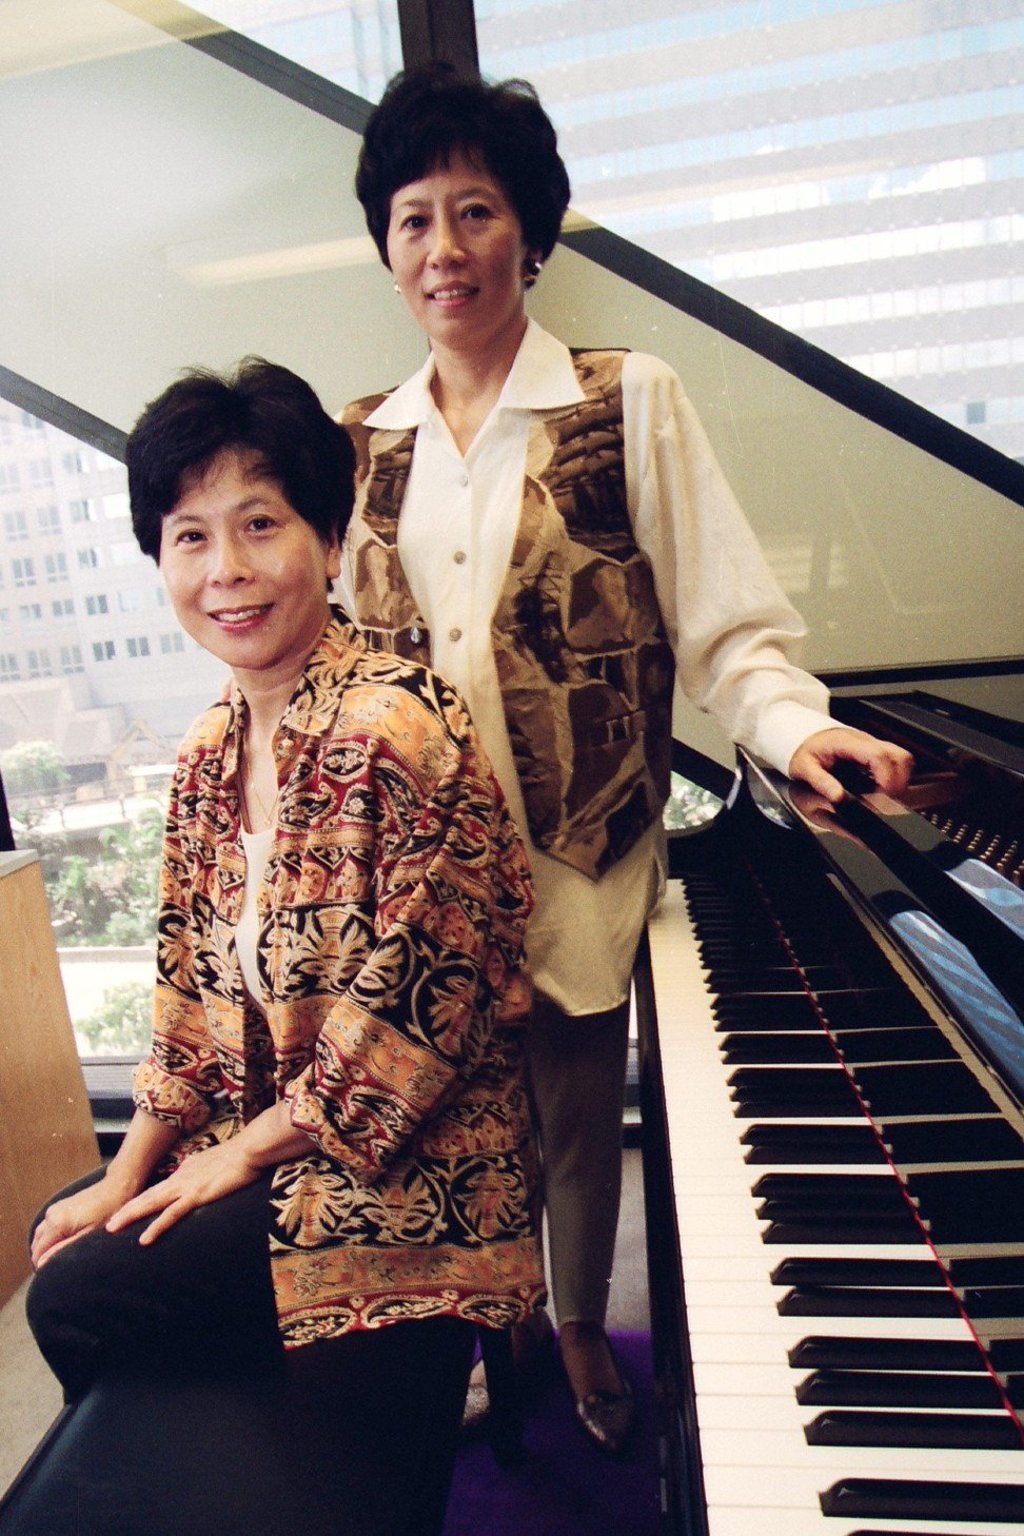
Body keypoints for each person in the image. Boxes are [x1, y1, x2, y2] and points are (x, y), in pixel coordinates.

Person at [337, 64, 915, 1456]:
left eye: (475, 211)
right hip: (424, 885)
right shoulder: (363, 442)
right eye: (412, 219)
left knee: (580, 1123)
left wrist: (796, 726)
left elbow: (728, 627)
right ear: (386, 246)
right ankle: (496, 1329)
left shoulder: (624, 398)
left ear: (529, 230)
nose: (443, 248)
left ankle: (583, 1321)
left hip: (577, 860)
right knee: (454, 1125)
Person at [26, 358, 543, 1535]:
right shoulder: (213, 746)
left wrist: (230, 1160)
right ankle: (199, 1446)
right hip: (283, 1144)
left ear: (326, 528)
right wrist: (131, 1164)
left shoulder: (398, 726)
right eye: (190, 537)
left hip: (415, 1171)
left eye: (260, 525)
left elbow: (417, 1017)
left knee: (81, 1293)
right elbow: (183, 991)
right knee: (70, 1225)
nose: (228, 572)